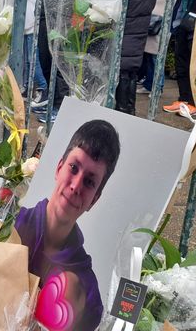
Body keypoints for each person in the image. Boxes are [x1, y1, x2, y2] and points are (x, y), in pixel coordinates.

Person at [15, 119, 121, 331]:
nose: (75, 186)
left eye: (89, 182)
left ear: (95, 199)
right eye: (74, 168)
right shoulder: (11, 224)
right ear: (59, 168)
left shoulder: (86, 289)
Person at [114, 0, 157, 115]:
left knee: (123, 72)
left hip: (126, 33)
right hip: (139, 34)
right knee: (131, 71)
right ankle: (129, 108)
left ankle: (123, 109)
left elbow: (119, 9)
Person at [137, 0, 182, 95]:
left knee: (157, 58)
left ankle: (158, 87)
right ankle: (149, 84)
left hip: (161, 25)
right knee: (150, 57)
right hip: (152, 24)